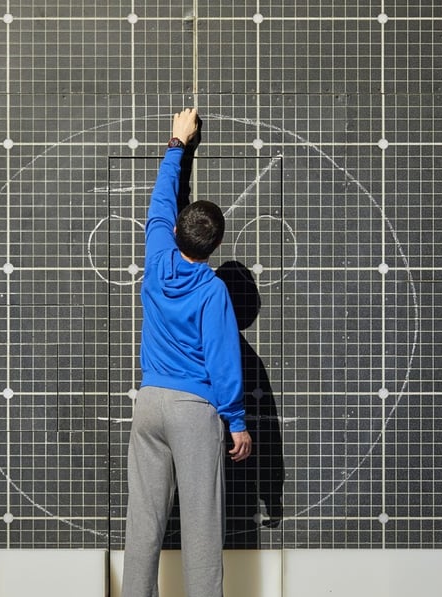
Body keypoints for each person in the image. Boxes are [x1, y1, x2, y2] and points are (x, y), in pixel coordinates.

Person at [122, 108, 252, 597]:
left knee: (143, 526)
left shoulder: (157, 256)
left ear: (176, 232)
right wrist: (236, 422)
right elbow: (223, 363)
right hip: (193, 411)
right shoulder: (213, 291)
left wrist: (178, 144)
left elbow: (159, 202)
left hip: (149, 403)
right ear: (214, 247)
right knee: (201, 530)